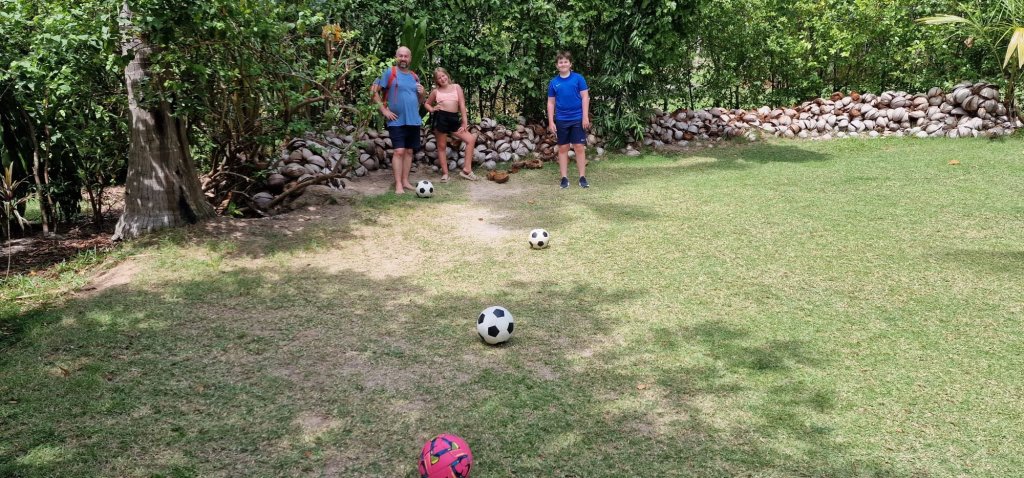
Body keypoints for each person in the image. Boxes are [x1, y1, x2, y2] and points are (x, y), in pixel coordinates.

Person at [370, 46, 425, 194]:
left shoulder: (414, 76)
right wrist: (384, 110)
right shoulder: (390, 72)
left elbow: (419, 101)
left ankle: (405, 181)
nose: (403, 59)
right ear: (396, 57)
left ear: (410, 58)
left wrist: (423, 93)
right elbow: (374, 91)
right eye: (400, 56)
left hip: (413, 119)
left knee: (409, 151)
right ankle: (398, 184)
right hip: (396, 119)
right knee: (399, 151)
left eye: (406, 56)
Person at [423, 67, 479, 181]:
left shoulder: (456, 87)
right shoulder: (436, 91)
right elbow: (427, 104)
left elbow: (462, 105)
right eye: (439, 78)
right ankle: (445, 174)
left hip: (454, 119)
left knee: (470, 139)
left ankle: (467, 170)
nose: (442, 79)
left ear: (447, 75)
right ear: (436, 81)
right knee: (441, 146)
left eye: (443, 76)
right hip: (441, 118)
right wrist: (432, 109)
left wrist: (464, 122)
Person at [546, 50, 591, 189]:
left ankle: (582, 177)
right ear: (557, 65)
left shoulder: (578, 79)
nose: (563, 64)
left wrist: (585, 117)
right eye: (560, 62)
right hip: (561, 119)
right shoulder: (554, 83)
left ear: (570, 64)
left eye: (566, 61)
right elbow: (551, 103)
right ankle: (564, 178)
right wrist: (551, 121)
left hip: (577, 118)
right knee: (563, 148)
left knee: (579, 147)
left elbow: (585, 97)